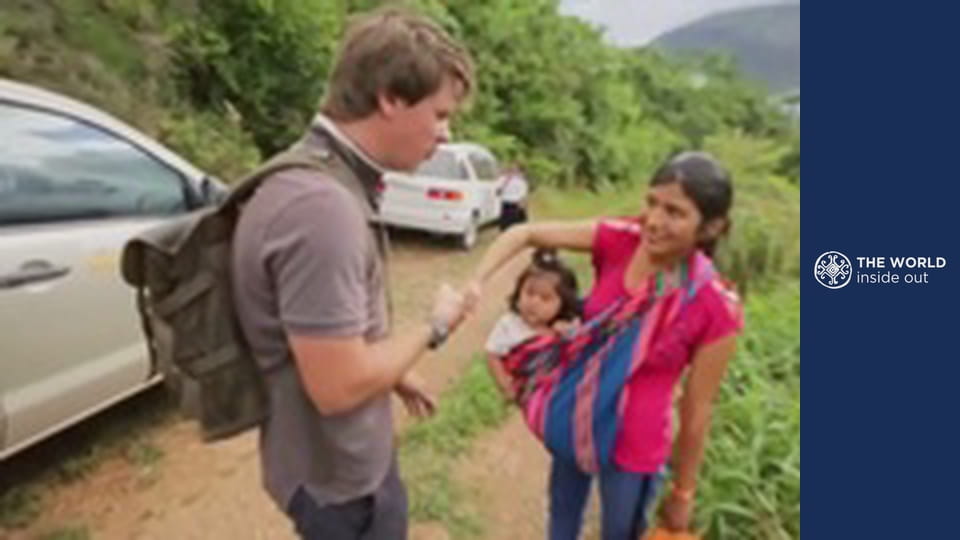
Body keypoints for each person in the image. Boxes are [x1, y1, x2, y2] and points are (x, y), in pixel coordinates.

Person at [229, 8, 475, 539]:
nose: (445, 132)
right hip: (340, 486)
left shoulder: (315, 175)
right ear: (389, 97)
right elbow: (339, 387)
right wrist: (434, 326)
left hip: (331, 465)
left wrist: (394, 371)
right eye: (438, 114)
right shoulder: (323, 208)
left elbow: (324, 335)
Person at [468, 151, 744, 540]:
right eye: (651, 203)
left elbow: (697, 410)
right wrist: (475, 283)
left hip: (635, 445)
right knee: (561, 522)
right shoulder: (620, 240)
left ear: (713, 227)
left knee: (621, 532)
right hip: (577, 417)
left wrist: (683, 491)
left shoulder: (714, 304)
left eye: (674, 212)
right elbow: (524, 234)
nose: (654, 220)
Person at [484, 248, 580, 401]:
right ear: (518, 293)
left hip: (562, 393)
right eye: (529, 293)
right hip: (533, 397)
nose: (534, 302)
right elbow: (492, 354)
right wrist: (505, 387)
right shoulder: (509, 324)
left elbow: (579, 349)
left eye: (545, 298)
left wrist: (566, 332)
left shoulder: (563, 327)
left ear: (563, 304)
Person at [497, 163, 530, 230]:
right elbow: (498, 191)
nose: (513, 171)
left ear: (520, 171)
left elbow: (523, 196)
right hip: (506, 203)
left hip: (514, 204)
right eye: (512, 169)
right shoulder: (503, 179)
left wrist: (523, 206)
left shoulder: (522, 181)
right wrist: (506, 181)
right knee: (505, 224)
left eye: (515, 169)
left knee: (511, 225)